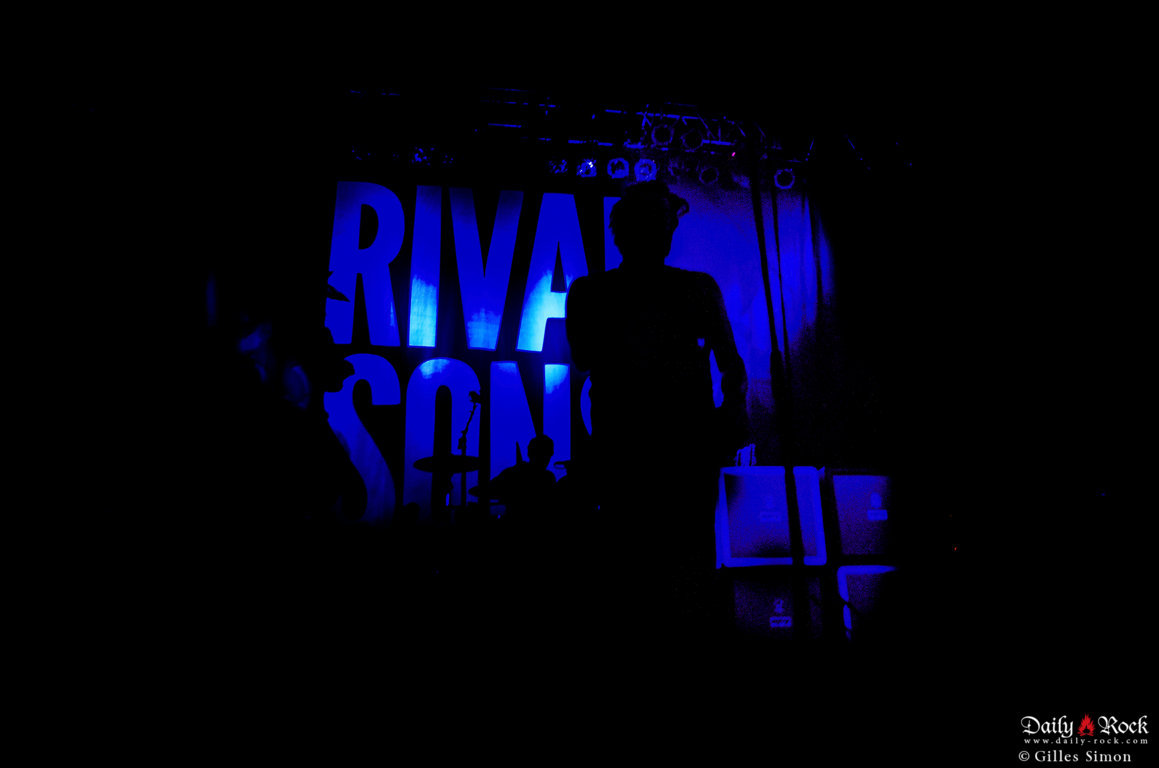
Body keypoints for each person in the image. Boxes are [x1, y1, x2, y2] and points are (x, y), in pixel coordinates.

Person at [565, 181, 749, 638]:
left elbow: (585, 357)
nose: (667, 232)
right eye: (661, 223)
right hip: (668, 454)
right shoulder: (694, 289)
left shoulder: (591, 291)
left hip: (635, 452)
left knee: (640, 575)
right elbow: (731, 365)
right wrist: (729, 418)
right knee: (677, 573)